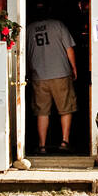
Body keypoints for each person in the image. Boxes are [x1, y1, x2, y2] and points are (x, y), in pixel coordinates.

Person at [26, 16, 78, 154]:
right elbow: (69, 49)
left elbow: (23, 53)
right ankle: (64, 141)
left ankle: (42, 145)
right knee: (66, 108)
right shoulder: (58, 25)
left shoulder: (29, 29)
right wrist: (74, 68)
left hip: (38, 75)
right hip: (60, 73)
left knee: (41, 112)